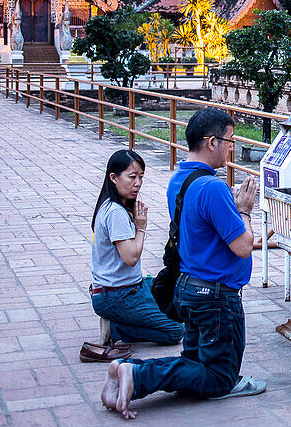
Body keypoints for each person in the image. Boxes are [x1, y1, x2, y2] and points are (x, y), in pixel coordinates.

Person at [101, 108, 265, 419]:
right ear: (213, 142)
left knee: (195, 364)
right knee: (219, 379)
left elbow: (202, 227)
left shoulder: (180, 179)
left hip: (189, 289)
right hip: (215, 296)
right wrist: (243, 210)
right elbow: (242, 246)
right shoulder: (213, 187)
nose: (232, 148)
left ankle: (125, 372)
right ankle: (136, 375)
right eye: (230, 140)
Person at [85, 150, 182, 362]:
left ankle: (127, 319)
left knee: (162, 286)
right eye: (132, 177)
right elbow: (131, 258)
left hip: (119, 288)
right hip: (118, 295)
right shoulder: (115, 212)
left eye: (141, 177)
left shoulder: (112, 205)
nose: (137, 183)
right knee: (175, 331)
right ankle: (117, 327)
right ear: (113, 177)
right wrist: (141, 228)